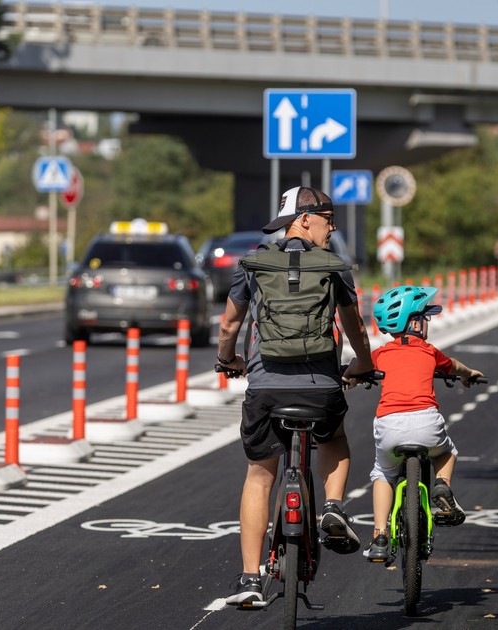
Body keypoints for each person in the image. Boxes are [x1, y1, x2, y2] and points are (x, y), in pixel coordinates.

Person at [218, 185, 375, 605]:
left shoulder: (252, 263)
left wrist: (227, 359)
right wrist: (362, 363)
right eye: (328, 220)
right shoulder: (334, 265)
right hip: (321, 388)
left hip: (266, 389)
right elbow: (354, 324)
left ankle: (251, 580)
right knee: (335, 437)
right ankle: (334, 507)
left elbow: (228, 327)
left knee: (259, 475)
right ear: (305, 220)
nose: (332, 229)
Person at [364, 285, 485, 561]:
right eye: (424, 317)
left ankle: (380, 536)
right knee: (446, 452)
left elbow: (360, 369)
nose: (427, 322)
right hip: (426, 423)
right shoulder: (429, 351)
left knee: (383, 472)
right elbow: (452, 366)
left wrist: (350, 377)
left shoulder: (381, 354)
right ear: (415, 322)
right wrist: (468, 374)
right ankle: (442, 485)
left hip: (390, 425)